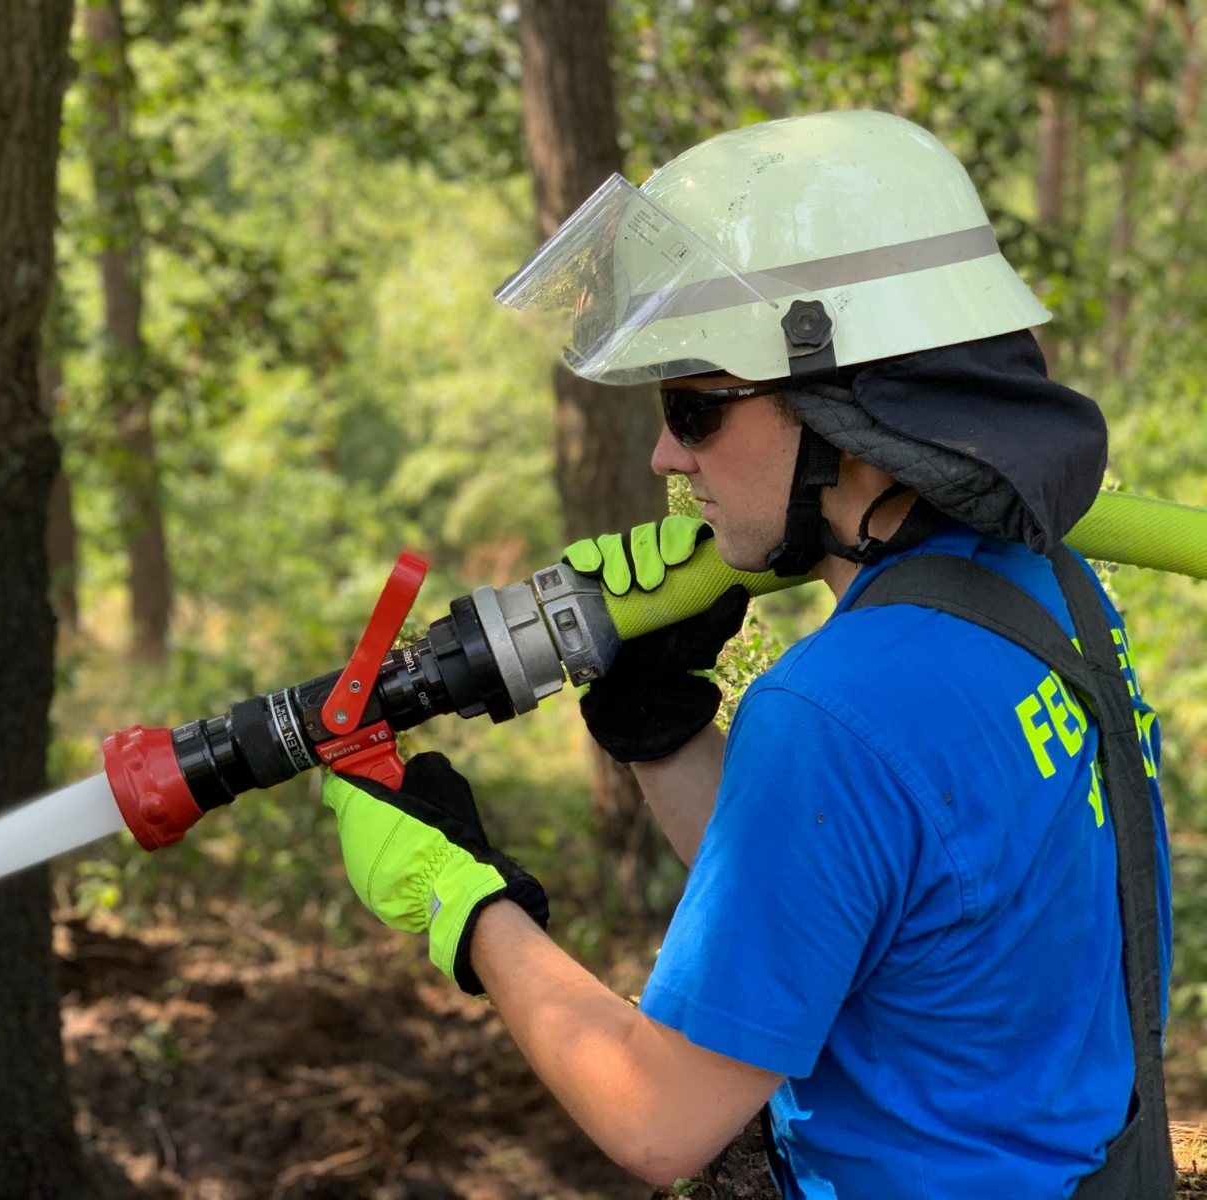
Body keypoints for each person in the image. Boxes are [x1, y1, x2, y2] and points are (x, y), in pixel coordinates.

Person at [320, 111, 1173, 1197]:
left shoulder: (833, 711)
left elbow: (657, 1119)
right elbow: (854, 904)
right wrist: (658, 729)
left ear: (845, 405)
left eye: (696, 407)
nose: (665, 452)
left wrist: (461, 899)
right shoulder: (1042, 587)